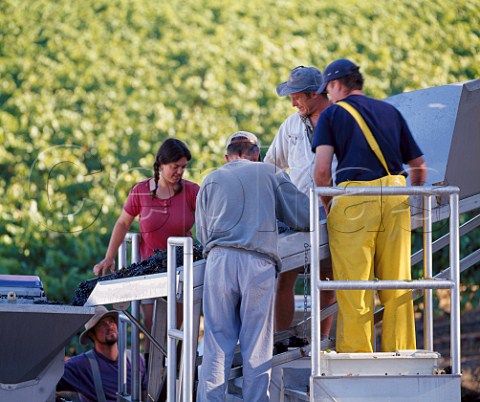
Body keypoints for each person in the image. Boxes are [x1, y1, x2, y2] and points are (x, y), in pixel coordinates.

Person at [312, 58, 427, 353]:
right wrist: (409, 199)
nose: (329, 96)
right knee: (398, 282)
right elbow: (418, 167)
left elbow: (322, 171)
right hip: (395, 195)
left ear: (336, 85)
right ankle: (402, 353)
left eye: (329, 90)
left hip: (354, 197)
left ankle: (357, 356)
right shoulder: (390, 111)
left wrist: (329, 204)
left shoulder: (331, 115)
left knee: (354, 287)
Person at [196, 131, 310, 401]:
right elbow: (303, 215)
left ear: (227, 157)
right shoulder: (270, 172)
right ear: (257, 153)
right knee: (257, 345)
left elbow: (202, 235)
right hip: (258, 262)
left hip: (219, 260)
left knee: (216, 342)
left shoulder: (210, 179)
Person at [93, 138, 200, 359]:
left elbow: (210, 222)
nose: (179, 171)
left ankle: (179, 381)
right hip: (151, 271)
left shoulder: (192, 191)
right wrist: (109, 257)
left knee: (178, 331)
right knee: (154, 331)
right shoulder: (140, 191)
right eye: (175, 166)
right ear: (161, 164)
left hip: (181, 271)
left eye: (183, 167)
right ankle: (149, 381)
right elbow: (123, 223)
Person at [264, 65, 335, 340]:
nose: (293, 102)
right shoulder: (291, 125)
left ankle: (322, 341)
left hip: (334, 209)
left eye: (297, 96)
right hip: (296, 212)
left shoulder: (339, 119)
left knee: (329, 279)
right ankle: (281, 339)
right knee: (285, 275)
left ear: (315, 94)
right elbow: (271, 165)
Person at [56, 305, 147, 402]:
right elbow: (42, 384)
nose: (109, 326)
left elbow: (146, 396)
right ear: (91, 334)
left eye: (111, 321)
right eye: (101, 324)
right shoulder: (81, 366)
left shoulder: (136, 359)